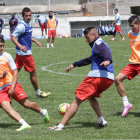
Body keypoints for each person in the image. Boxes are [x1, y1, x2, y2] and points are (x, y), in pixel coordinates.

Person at [48, 27, 114, 131]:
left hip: (96, 77)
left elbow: (106, 54)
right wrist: (75, 64)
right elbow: (90, 60)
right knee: (91, 96)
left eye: (88, 38)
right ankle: (101, 120)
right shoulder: (99, 44)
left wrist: (108, 60)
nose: (86, 40)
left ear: (95, 35)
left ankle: (60, 126)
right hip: (108, 79)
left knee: (76, 100)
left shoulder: (99, 43)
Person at [0, 36, 50, 131]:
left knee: (26, 104)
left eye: (2, 46)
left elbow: (15, 72)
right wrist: (1, 77)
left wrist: (12, 87)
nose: (1, 48)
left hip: (11, 84)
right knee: (6, 107)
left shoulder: (7, 56)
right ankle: (24, 123)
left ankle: (43, 112)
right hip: (1, 89)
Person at [10, 7, 51, 98]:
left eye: (30, 15)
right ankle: (38, 93)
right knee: (33, 73)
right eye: (26, 16)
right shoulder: (22, 26)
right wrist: (20, 46)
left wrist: (35, 41)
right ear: (22, 16)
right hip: (25, 54)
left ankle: (6, 89)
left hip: (19, 54)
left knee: (15, 72)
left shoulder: (29, 23)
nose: (28, 17)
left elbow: (27, 35)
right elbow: (12, 37)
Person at [114, 15, 140, 117]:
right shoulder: (130, 33)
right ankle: (126, 104)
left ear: (139, 24)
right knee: (117, 79)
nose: (131, 27)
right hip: (133, 64)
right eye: (130, 26)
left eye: (133, 25)